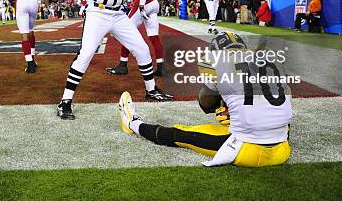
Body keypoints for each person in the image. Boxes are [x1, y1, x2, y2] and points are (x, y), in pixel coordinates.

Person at [118, 31, 292, 167]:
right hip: (283, 148)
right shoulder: (271, 60)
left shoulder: (214, 63)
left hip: (246, 150)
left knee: (179, 134)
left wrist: (223, 102)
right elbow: (282, 96)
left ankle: (131, 123)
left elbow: (206, 104)